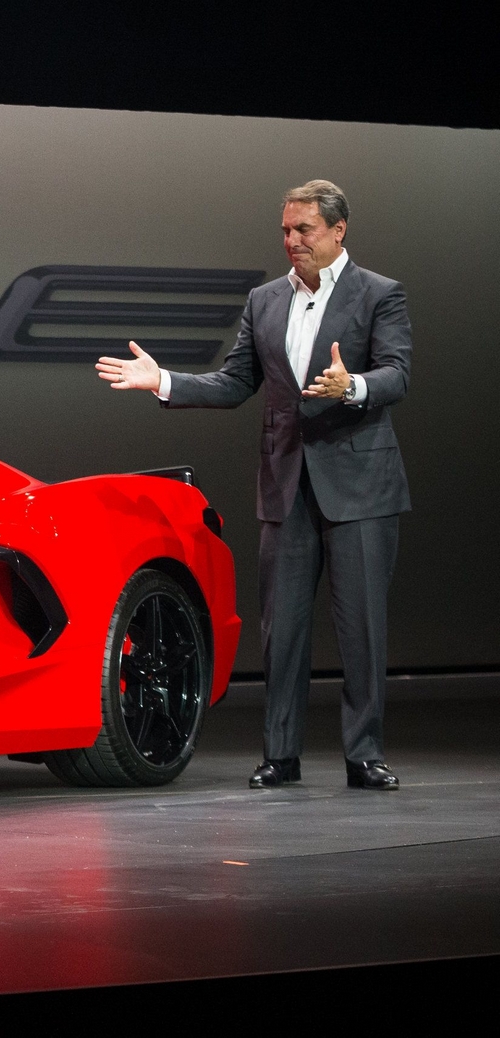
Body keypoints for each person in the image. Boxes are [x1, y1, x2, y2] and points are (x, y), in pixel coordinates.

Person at [94, 180, 411, 790]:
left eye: (305, 230)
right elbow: (236, 382)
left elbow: (396, 372)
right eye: (286, 230)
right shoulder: (265, 300)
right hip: (285, 483)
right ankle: (281, 754)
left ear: (339, 231)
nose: (292, 241)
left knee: (361, 628)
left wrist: (356, 386)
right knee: (281, 629)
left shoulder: (379, 294)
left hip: (361, 485)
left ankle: (364, 754)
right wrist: (164, 382)